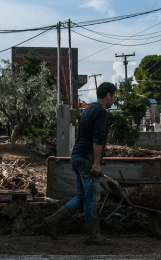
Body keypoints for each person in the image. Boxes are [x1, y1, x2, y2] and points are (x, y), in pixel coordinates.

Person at [44, 82, 117, 244]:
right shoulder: (101, 112)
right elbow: (98, 140)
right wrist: (96, 163)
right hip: (87, 159)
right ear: (108, 96)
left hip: (76, 157)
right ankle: (93, 236)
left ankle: (54, 220)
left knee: (82, 196)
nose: (114, 101)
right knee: (91, 198)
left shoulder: (88, 110)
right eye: (114, 97)